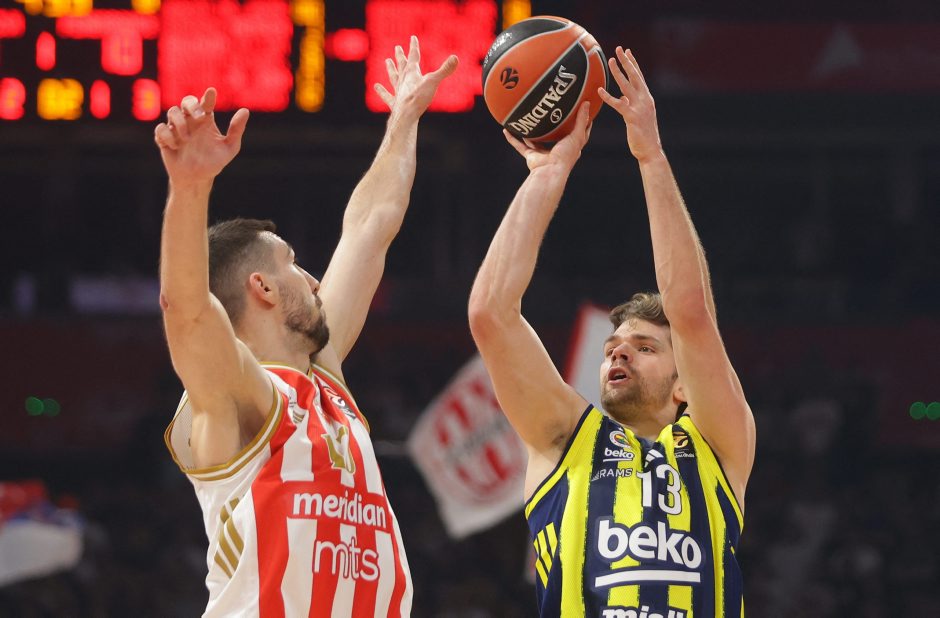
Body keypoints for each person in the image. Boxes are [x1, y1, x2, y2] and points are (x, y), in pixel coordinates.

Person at [156, 37, 457, 616]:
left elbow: (371, 224)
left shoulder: (325, 380)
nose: (316, 280)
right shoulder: (237, 394)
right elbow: (187, 310)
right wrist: (190, 188)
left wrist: (404, 120)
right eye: (294, 263)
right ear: (262, 288)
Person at [468, 47, 756, 617]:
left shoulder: (718, 446)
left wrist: (650, 156)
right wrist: (547, 176)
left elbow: (690, 311)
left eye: (644, 348)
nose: (619, 354)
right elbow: (491, 315)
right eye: (613, 348)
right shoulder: (564, 441)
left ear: (683, 385)